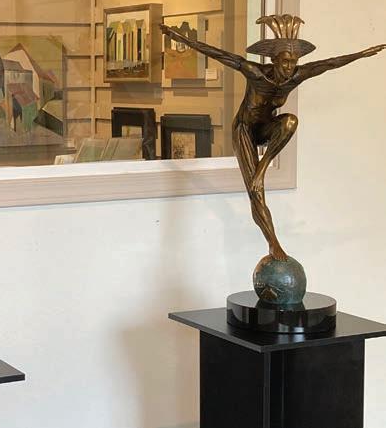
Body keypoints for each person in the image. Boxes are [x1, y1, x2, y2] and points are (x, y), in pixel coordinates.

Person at [162, 14, 385, 261]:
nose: (289, 67)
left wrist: (361, 54)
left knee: (290, 122)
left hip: (266, 129)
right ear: (274, 59)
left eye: (293, 61)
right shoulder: (256, 73)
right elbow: (219, 54)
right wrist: (182, 39)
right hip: (245, 130)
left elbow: (330, 63)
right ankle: (273, 243)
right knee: (256, 192)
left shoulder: (296, 76)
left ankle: (262, 170)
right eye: (285, 61)